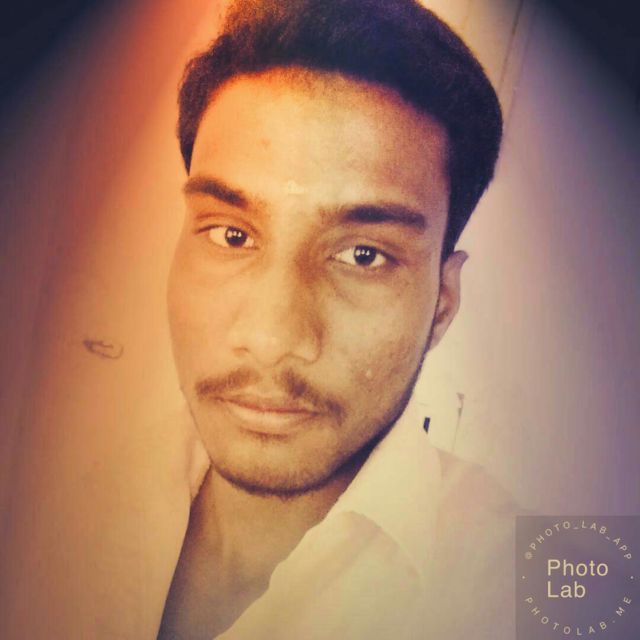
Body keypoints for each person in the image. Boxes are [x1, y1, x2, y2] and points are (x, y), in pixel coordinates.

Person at [158, 0, 516, 638]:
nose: (272, 339)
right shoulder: (55, 496)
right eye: (232, 235)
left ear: (441, 303)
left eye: (363, 255)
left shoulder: (523, 582)